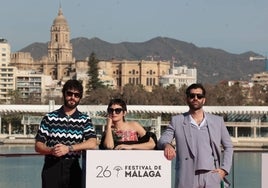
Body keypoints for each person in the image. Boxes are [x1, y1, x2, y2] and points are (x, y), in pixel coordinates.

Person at [158, 83, 233, 188]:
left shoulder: (217, 121)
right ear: (187, 99)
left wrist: (224, 170)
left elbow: (228, 146)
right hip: (186, 176)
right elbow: (163, 139)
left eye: (199, 96)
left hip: (211, 175)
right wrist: (167, 145)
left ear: (204, 100)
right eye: (192, 96)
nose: (195, 98)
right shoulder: (177, 121)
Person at [35, 79, 97, 188]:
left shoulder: (85, 119)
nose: (73, 97)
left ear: (80, 97)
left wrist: (69, 148)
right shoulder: (49, 117)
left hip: (73, 167)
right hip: (51, 167)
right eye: (69, 93)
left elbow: (92, 142)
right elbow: (38, 146)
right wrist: (51, 150)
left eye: (76, 95)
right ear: (64, 94)